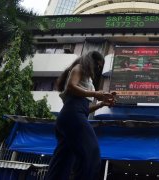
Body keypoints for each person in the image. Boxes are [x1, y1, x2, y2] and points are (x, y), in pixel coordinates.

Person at [45, 51, 115, 180]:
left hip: (71, 117)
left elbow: (84, 109)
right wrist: (95, 94)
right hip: (72, 116)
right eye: (97, 65)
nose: (98, 69)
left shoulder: (87, 79)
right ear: (91, 61)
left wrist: (101, 104)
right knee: (91, 154)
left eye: (100, 67)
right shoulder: (79, 68)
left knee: (62, 162)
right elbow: (71, 87)